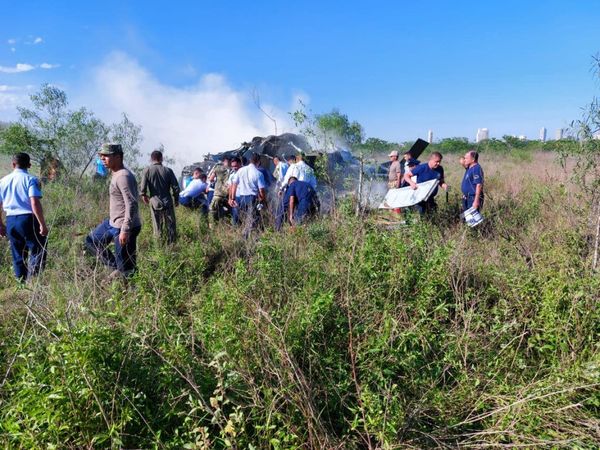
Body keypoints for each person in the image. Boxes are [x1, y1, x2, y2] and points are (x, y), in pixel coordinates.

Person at [85, 144, 141, 278]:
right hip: (112, 223)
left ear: (118, 157)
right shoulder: (116, 173)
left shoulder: (123, 176)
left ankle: (127, 286)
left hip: (123, 226)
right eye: (101, 156)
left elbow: (132, 203)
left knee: (127, 267)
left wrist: (125, 229)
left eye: (106, 156)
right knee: (91, 240)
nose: (102, 159)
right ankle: (116, 268)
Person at [0, 152, 49, 282]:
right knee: (37, 249)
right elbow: (34, 202)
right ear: (29, 164)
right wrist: (42, 224)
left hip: (11, 220)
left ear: (13, 164)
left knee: (18, 254)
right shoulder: (31, 180)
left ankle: (21, 283)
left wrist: (0, 224)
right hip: (27, 219)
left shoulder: (2, 181)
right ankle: (33, 281)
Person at [140, 150, 180, 244]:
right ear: (161, 158)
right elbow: (176, 188)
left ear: (151, 159)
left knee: (157, 226)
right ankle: (172, 245)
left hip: (154, 202)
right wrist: (176, 199)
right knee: (171, 226)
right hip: (168, 202)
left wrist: (144, 196)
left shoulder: (147, 170)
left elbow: (143, 188)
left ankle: (159, 247)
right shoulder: (168, 170)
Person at [229, 153, 266, 236]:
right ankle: (249, 238)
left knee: (245, 219)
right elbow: (261, 190)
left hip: (242, 198)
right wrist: (263, 200)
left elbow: (234, 185)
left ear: (250, 160)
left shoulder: (241, 170)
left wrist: (232, 198)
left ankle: (244, 236)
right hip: (252, 199)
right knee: (253, 220)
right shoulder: (258, 173)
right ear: (258, 162)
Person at [208, 157, 231, 228]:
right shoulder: (232, 170)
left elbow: (211, 179)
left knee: (212, 209)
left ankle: (213, 227)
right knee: (228, 210)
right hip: (227, 194)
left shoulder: (218, 167)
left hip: (218, 194)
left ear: (224, 161)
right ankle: (227, 225)